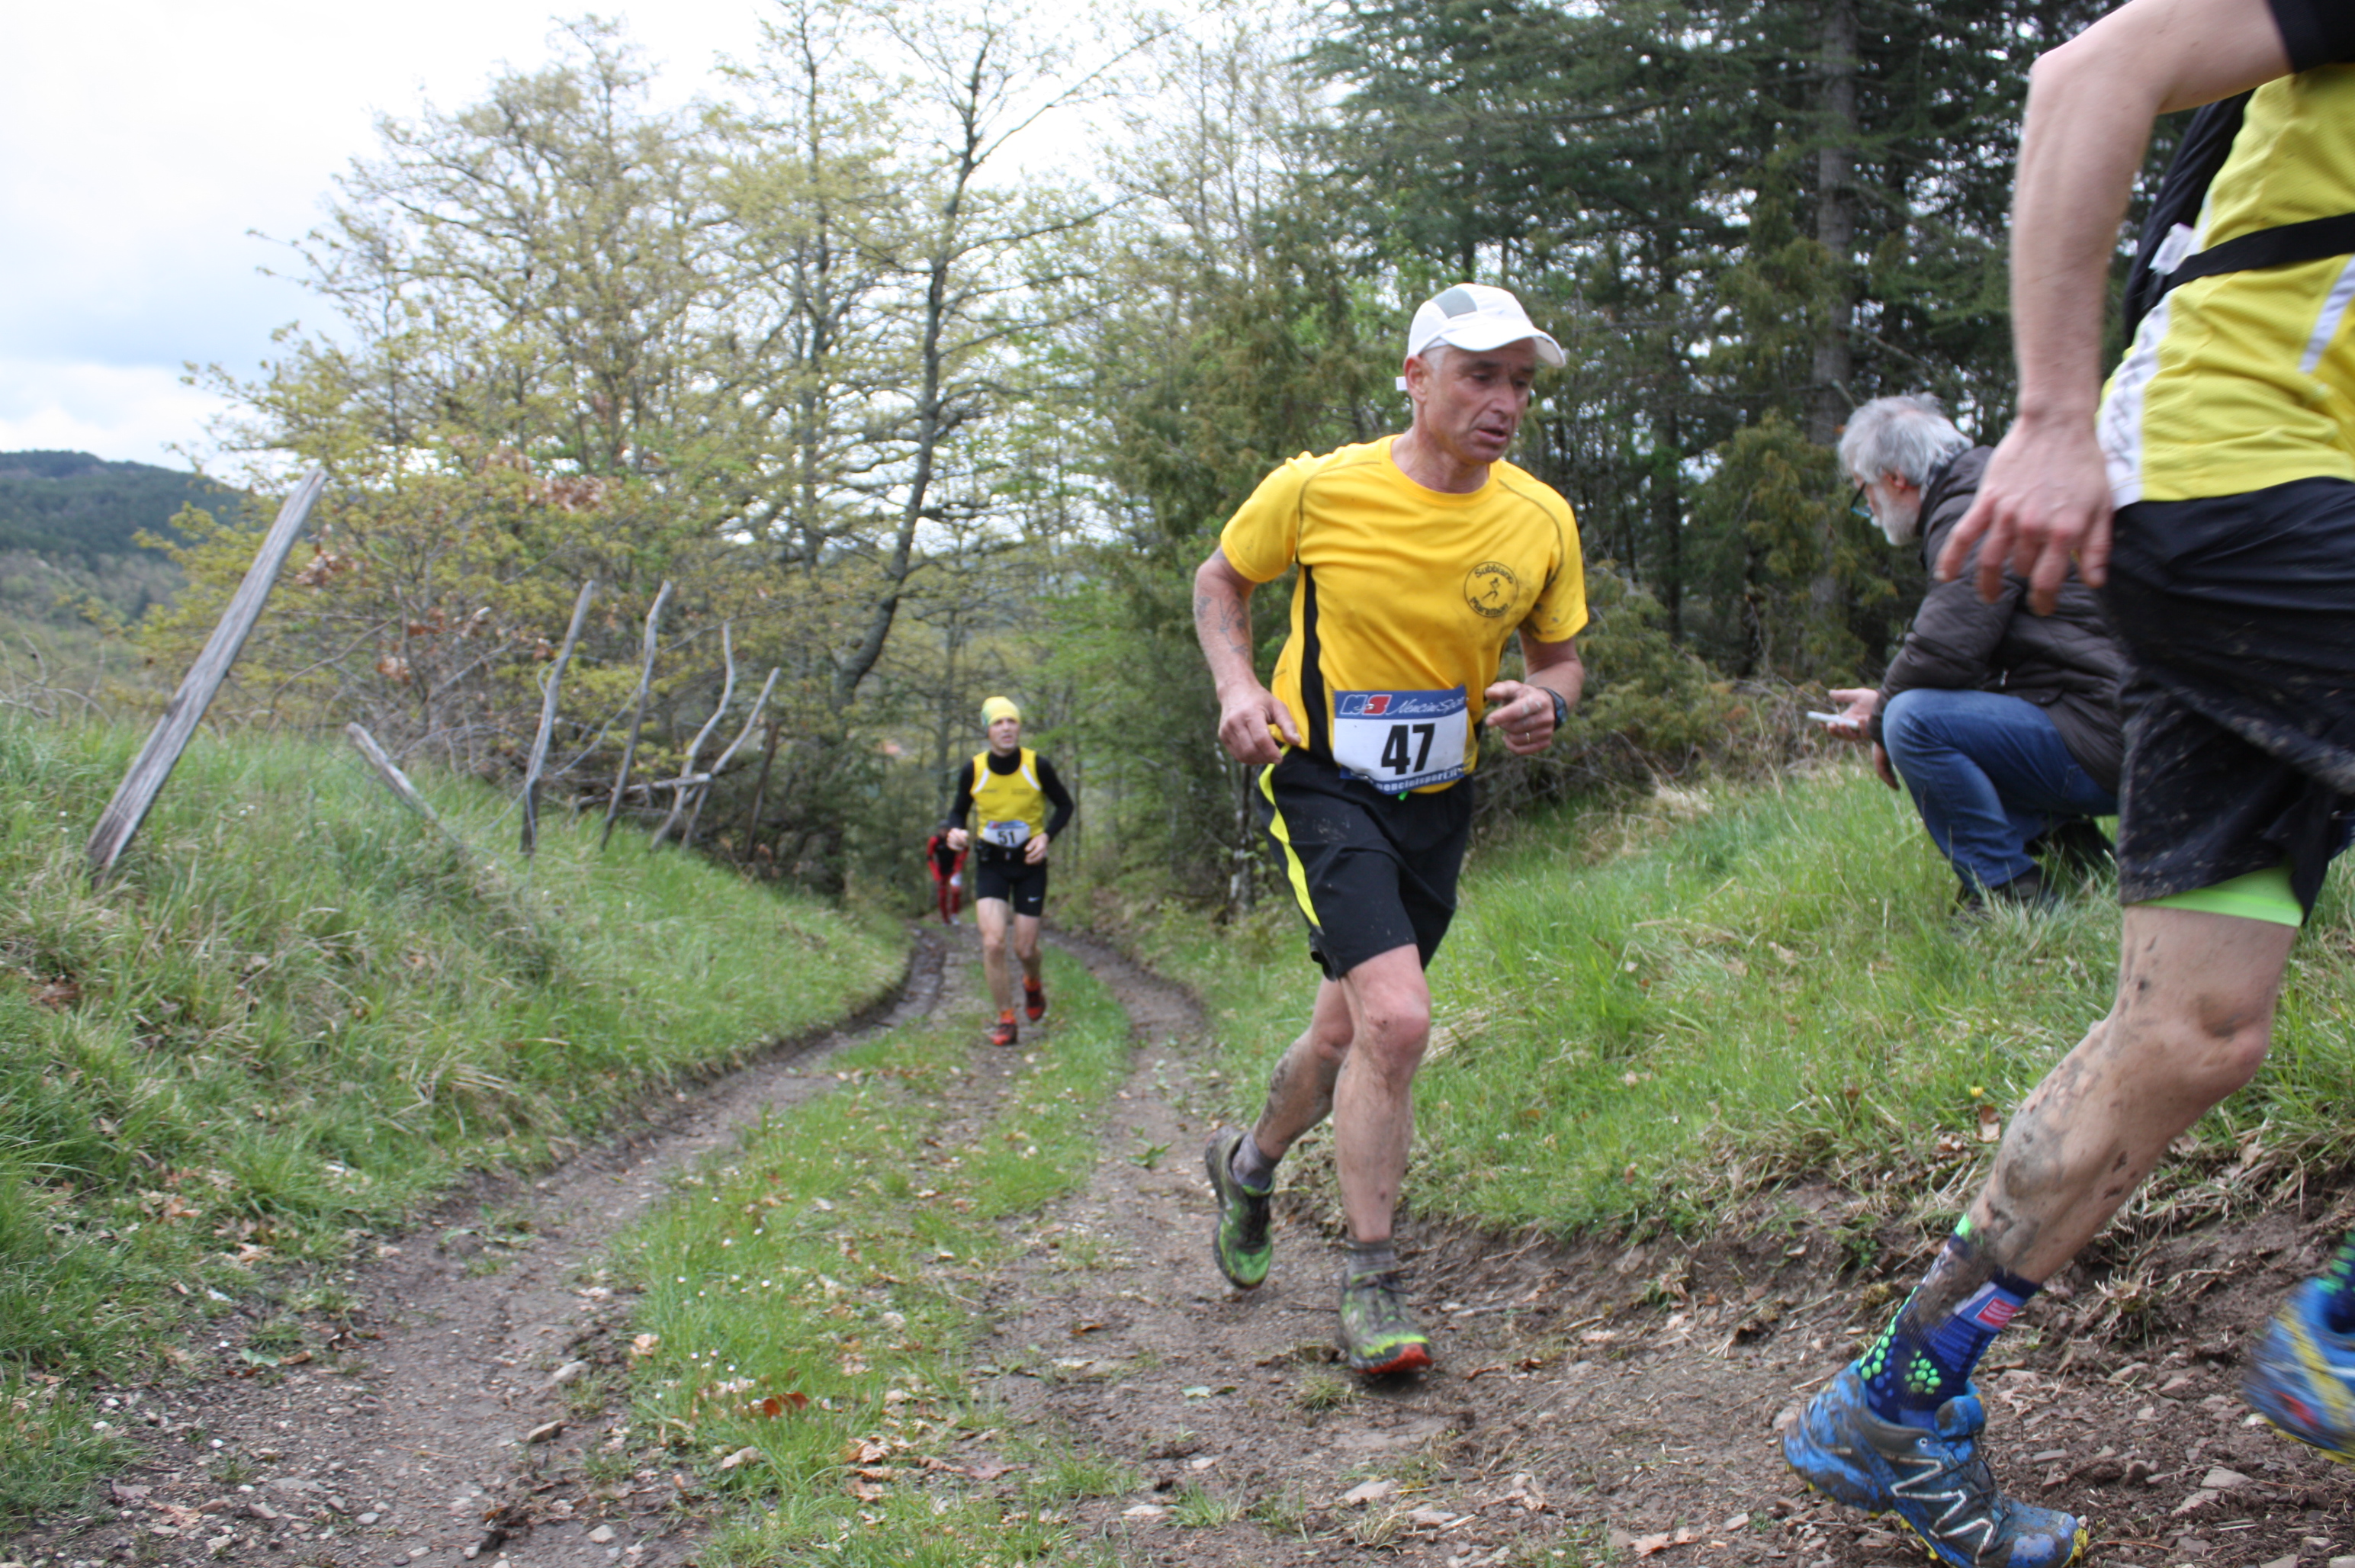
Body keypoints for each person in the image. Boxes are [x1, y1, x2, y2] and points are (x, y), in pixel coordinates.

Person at [1782, 3, 2355, 1566]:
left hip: (2219, 528)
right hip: (2251, 483)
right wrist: (2044, 417)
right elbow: (2088, 71)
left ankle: (1893, 1399)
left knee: (2187, 1030)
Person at [1191, 282, 1587, 1375]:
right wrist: (1238, 685)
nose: (1503, 400)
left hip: (1440, 799)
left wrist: (1549, 700)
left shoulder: (1541, 518)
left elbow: (1559, 657)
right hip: (1321, 782)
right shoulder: (1321, 490)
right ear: (1415, 377)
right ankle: (1374, 1283)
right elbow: (1222, 577)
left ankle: (1251, 1162)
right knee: (1401, 1023)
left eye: (1520, 381)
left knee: (1344, 1036)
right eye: (1478, 375)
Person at [1823, 394, 2125, 914]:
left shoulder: (1975, 510)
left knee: (1915, 722)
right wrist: (1885, 702)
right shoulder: (1994, 489)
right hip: (2116, 722)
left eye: (1863, 492)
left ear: (1895, 478)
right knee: (1923, 709)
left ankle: (2010, 892)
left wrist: (1883, 717)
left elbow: (1944, 650)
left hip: (2111, 739)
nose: (1868, 509)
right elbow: (1972, 651)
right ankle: (2074, 851)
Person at [940, 697, 1074, 1047]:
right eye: (998, 723)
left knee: (1025, 949)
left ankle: (1032, 984)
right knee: (993, 942)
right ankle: (1006, 1017)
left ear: (1019, 728)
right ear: (988, 731)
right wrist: (953, 832)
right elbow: (957, 813)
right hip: (991, 864)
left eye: (1011, 722)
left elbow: (1065, 805)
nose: (1006, 728)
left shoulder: (1037, 766)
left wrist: (1047, 836)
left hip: (1030, 864)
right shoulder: (973, 770)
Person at [924, 832, 967, 925]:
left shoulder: (952, 839)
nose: (943, 832)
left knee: (955, 892)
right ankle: (945, 919)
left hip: (953, 870)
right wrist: (936, 874)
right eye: (941, 830)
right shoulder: (935, 841)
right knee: (942, 896)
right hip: (941, 871)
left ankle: (954, 915)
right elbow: (929, 857)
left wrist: (960, 863)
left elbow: (965, 848)